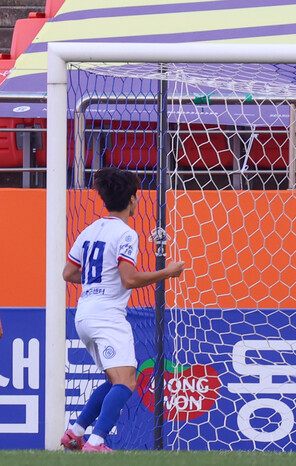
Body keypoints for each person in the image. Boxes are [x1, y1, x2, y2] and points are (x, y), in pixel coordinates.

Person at [60, 167, 185, 452]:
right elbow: (129, 279)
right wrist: (168, 272)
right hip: (107, 315)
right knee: (127, 381)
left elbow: (68, 273)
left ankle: (75, 433)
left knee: (116, 379)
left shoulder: (89, 230)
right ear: (131, 199)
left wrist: (99, 280)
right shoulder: (126, 234)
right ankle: (96, 442)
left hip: (84, 314)